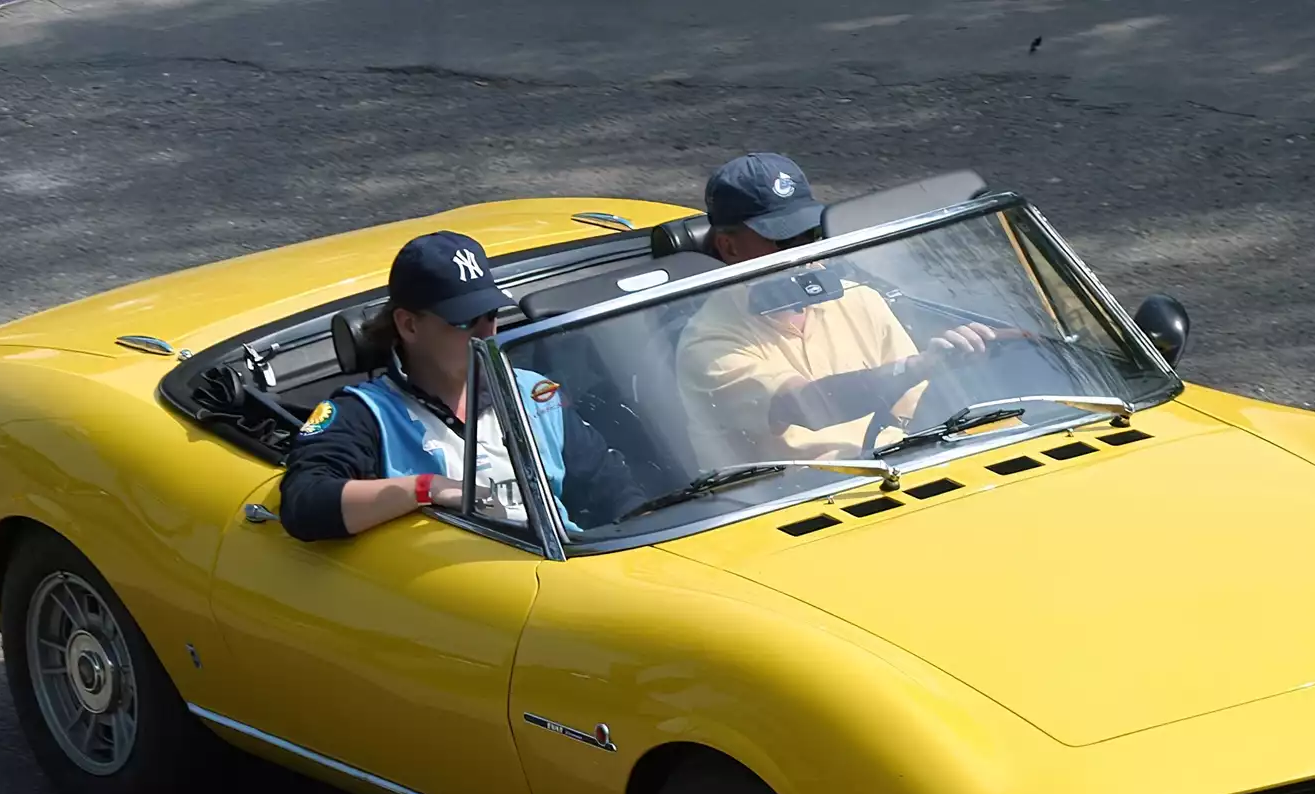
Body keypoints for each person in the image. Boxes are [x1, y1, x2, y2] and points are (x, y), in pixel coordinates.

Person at [279, 230, 640, 541]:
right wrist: (427, 488)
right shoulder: (366, 414)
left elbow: (616, 491)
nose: (486, 334)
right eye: (465, 322)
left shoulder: (535, 395)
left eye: (491, 316)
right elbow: (303, 504)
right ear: (409, 326)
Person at [675, 152, 1001, 460]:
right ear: (729, 248)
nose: (804, 252)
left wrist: (965, 357)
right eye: (784, 241)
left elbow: (914, 408)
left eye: (810, 233)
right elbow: (807, 406)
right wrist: (916, 367)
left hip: (894, 468)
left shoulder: (858, 299)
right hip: (792, 493)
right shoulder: (707, 343)